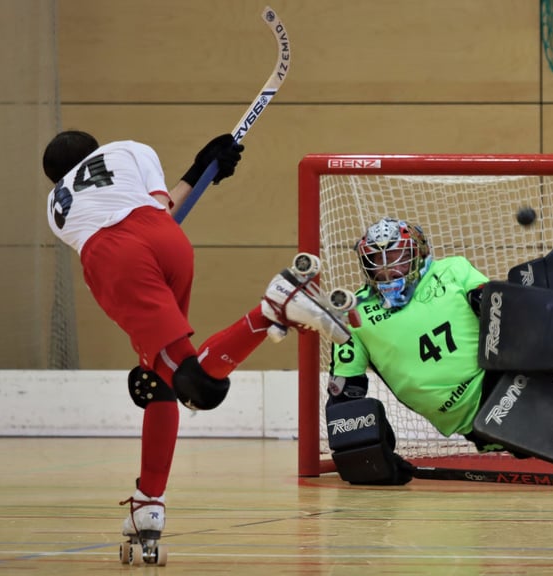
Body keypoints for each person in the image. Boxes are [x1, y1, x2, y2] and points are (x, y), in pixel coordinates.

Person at [42, 131, 348, 562]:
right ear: (95, 149)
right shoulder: (129, 149)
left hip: (113, 256)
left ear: (54, 177)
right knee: (160, 380)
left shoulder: (55, 205)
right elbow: (163, 210)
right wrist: (202, 169)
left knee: (195, 385)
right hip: (168, 241)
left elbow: (116, 232)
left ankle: (272, 308)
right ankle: (148, 501)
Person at [320, 217, 553, 489]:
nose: (388, 269)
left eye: (397, 256)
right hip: (481, 413)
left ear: (417, 254)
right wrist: (366, 455)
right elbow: (346, 393)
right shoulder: (353, 315)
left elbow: (494, 304)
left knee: (518, 299)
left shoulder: (451, 270)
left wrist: (511, 304)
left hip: (503, 358)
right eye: (378, 261)